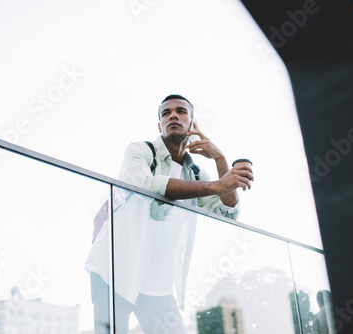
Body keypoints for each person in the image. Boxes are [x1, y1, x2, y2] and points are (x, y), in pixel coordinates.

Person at [85, 94, 254, 334]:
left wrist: (220, 158)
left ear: (193, 125)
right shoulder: (140, 151)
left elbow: (228, 212)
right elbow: (147, 185)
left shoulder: (195, 173)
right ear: (159, 125)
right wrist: (216, 186)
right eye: (166, 113)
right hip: (113, 273)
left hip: (158, 287)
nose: (173, 115)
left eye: (181, 111)